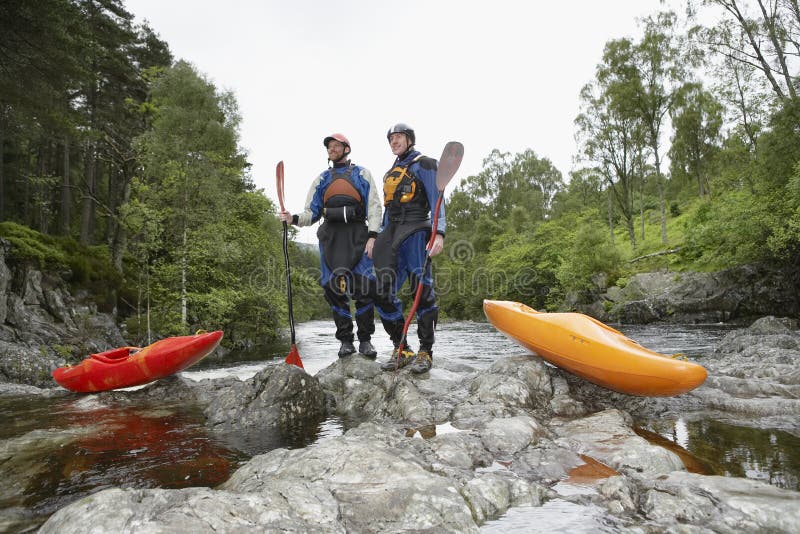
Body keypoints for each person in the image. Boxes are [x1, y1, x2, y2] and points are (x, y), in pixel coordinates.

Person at [278, 133, 382, 358]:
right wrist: (292, 219)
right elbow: (311, 213)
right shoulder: (321, 179)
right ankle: (345, 340)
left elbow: (374, 207)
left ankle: (365, 340)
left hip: (358, 235)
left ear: (346, 149)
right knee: (333, 289)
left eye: (336, 146)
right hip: (330, 237)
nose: (332, 149)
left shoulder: (362, 174)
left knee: (364, 288)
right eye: (329, 147)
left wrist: (373, 235)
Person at [373, 123, 445, 374]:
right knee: (380, 291)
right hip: (391, 232)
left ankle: (426, 350)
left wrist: (439, 233)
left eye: (399, 137)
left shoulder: (425, 164)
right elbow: (387, 209)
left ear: (410, 139)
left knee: (421, 290)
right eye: (391, 139)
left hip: (416, 230)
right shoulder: (392, 171)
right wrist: (379, 238)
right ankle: (401, 347)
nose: (394, 142)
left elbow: (437, 200)